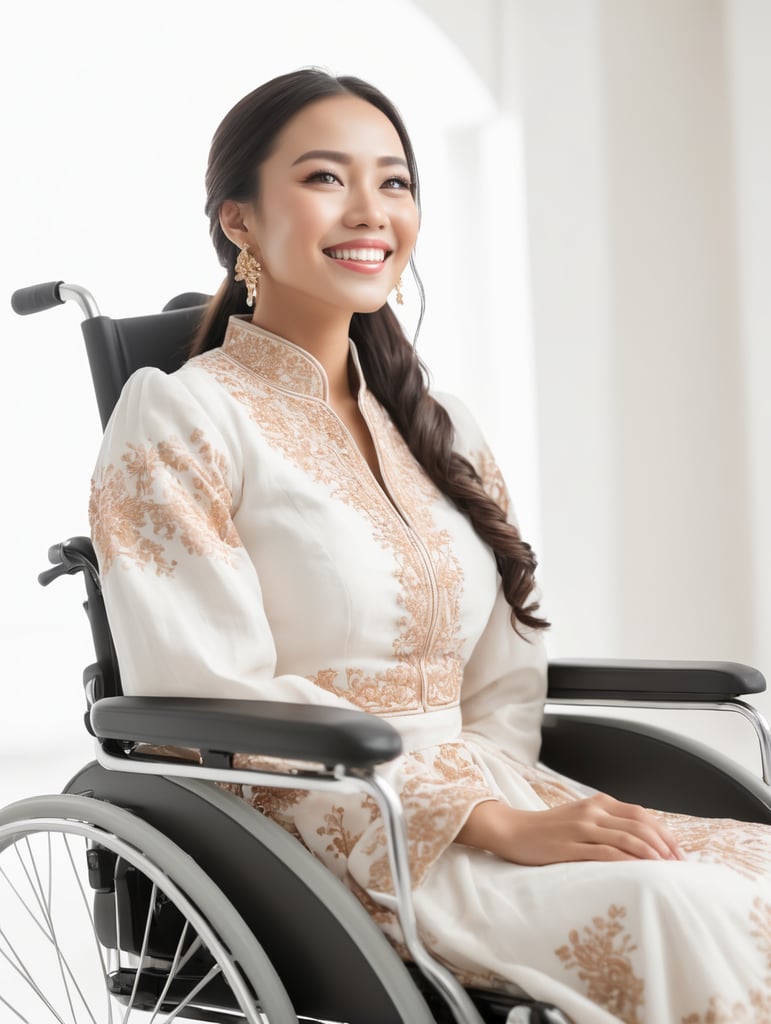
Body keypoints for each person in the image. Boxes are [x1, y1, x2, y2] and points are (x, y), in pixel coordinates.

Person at [89, 68, 771, 1023]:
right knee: (667, 904)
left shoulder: (438, 424)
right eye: (326, 178)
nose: (371, 211)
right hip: (316, 830)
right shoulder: (179, 417)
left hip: (489, 795)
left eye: (395, 181)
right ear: (238, 219)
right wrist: (478, 822)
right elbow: (202, 693)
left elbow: (503, 674)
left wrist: (510, 804)